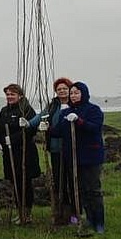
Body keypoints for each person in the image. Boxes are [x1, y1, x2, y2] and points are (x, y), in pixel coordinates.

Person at [58, 81, 106, 234]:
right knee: (81, 190)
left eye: (76, 92)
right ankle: (88, 218)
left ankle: (99, 222)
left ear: (84, 93)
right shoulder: (66, 112)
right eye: (72, 93)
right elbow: (60, 131)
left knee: (93, 190)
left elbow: (94, 128)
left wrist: (78, 121)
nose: (73, 95)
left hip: (91, 156)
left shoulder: (93, 110)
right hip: (74, 157)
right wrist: (47, 128)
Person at [0, 83, 41, 224]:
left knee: (24, 182)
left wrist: (13, 139)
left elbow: (31, 130)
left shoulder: (26, 110)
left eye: (12, 94)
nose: (9, 97)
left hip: (24, 153)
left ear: (20, 96)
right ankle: (19, 211)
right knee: (14, 182)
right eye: (7, 94)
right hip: (9, 154)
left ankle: (26, 213)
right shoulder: (4, 111)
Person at [37, 78, 76, 225]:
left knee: (72, 180)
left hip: (71, 149)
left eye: (65, 88)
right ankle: (62, 212)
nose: (62, 91)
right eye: (59, 89)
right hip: (55, 148)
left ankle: (75, 212)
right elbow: (41, 116)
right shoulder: (53, 105)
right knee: (59, 181)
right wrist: (29, 124)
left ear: (69, 89)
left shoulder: (74, 104)